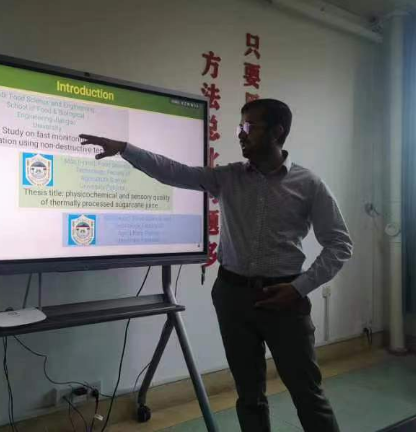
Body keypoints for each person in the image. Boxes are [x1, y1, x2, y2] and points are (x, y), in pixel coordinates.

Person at [79, 98, 352, 432]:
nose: (241, 134)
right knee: (249, 395)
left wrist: (299, 288)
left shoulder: (308, 184)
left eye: (249, 127)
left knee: (307, 392)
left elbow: (340, 244)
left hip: (285, 298)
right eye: (240, 127)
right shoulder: (228, 177)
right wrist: (125, 149)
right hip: (233, 297)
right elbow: (175, 172)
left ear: (277, 132)